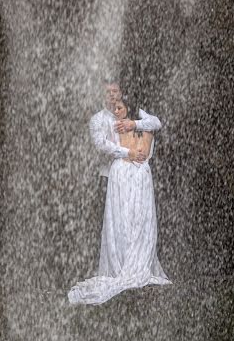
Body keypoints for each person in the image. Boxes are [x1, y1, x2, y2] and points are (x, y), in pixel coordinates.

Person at [68, 95, 172, 305]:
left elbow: (152, 131)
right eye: (114, 108)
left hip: (138, 175)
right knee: (120, 221)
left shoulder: (142, 125)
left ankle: (136, 262)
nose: (116, 111)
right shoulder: (112, 126)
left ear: (128, 108)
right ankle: (121, 262)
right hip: (120, 175)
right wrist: (128, 151)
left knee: (140, 219)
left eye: (119, 107)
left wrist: (134, 126)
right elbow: (105, 146)